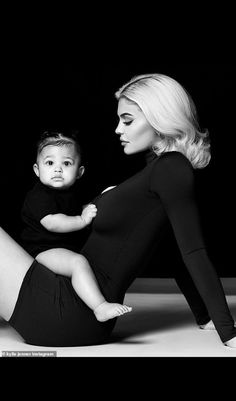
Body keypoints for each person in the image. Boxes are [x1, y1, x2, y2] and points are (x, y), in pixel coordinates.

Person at [0, 73, 235, 348]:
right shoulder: (157, 173)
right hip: (68, 302)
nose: (117, 130)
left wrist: (228, 332)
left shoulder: (171, 169)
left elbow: (193, 251)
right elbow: (172, 250)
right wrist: (203, 316)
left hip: (68, 309)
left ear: (160, 118)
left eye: (128, 120)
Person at [20, 131, 132, 322]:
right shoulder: (39, 195)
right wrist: (81, 220)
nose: (57, 169)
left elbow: (79, 208)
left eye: (66, 163)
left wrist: (105, 199)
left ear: (79, 172)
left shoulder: (70, 193)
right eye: (49, 163)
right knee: (77, 263)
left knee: (88, 259)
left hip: (62, 248)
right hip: (41, 251)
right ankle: (100, 307)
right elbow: (53, 222)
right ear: (37, 170)